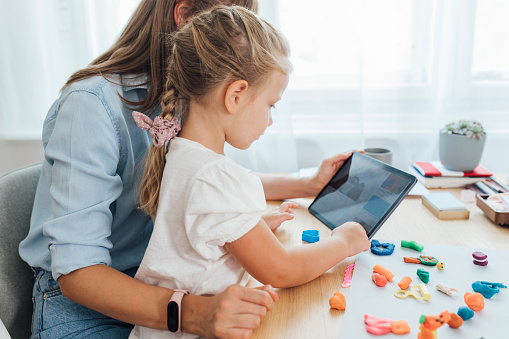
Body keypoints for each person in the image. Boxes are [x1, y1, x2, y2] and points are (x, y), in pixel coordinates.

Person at [18, 0, 361, 338]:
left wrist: (302, 186)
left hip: (159, 282)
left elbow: (203, 185)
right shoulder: (90, 106)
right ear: (184, 16)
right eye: (229, 28)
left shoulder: (188, 105)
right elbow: (80, 272)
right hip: (89, 305)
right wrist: (195, 313)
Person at [129, 5, 371, 338]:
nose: (270, 120)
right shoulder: (216, 175)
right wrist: (342, 242)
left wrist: (247, 229)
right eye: (271, 104)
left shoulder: (179, 151)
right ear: (236, 95)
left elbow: (200, 233)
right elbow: (282, 270)